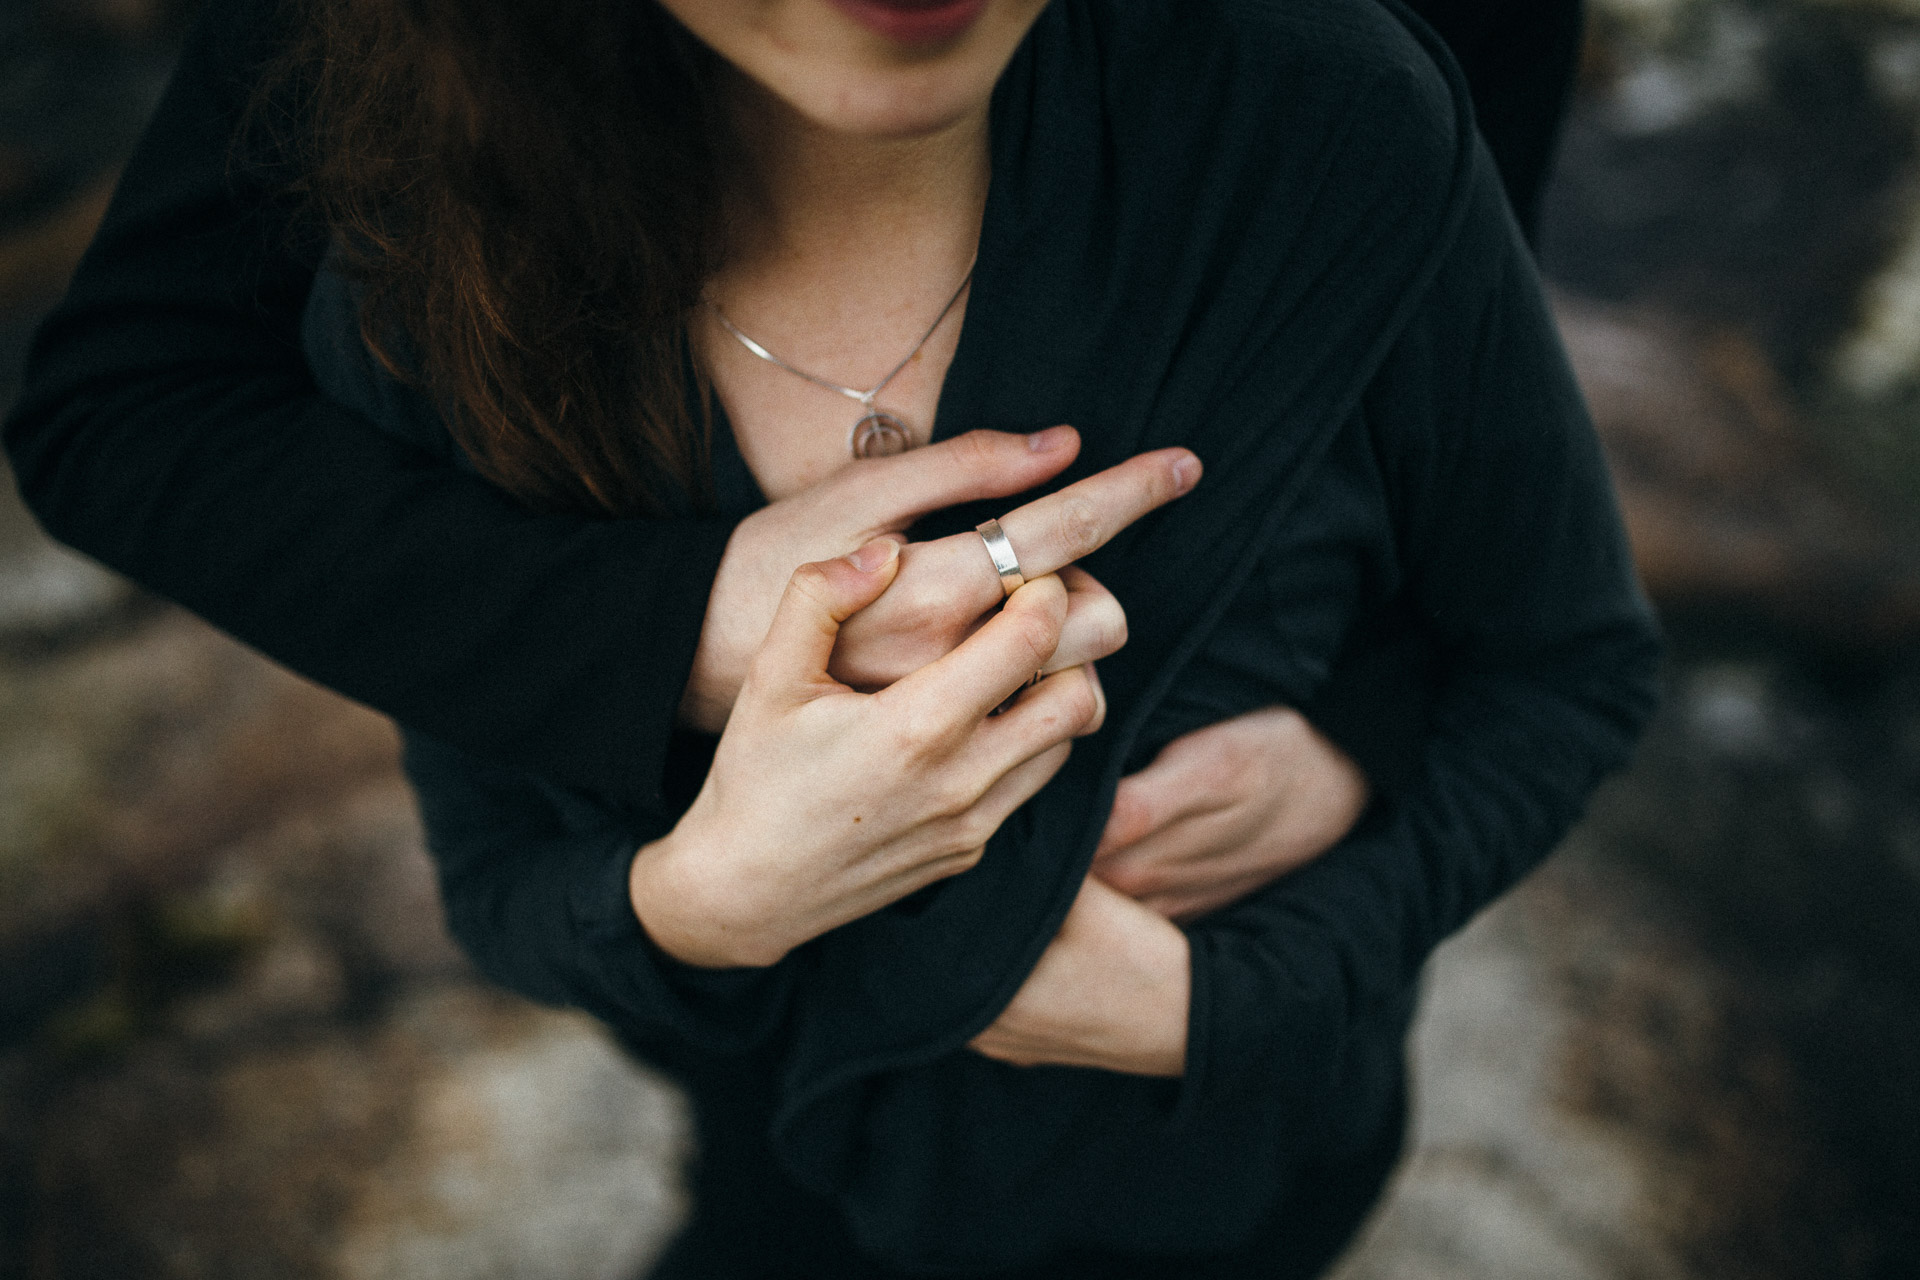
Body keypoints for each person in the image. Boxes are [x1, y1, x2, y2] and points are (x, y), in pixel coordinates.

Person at [4, 0, 1655, 1276]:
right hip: (782, 1177)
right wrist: (693, 903)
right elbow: (503, 875)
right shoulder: (437, 296)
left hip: (1238, 1180)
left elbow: (1536, 631)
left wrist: (1254, 977)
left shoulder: (1335, 126)